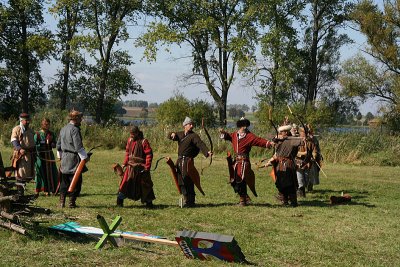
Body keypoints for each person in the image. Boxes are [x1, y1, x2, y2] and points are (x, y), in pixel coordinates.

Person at [220, 117, 273, 206]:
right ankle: (245, 197)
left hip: (244, 162)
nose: (245, 126)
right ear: (240, 125)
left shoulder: (249, 136)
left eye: (246, 124)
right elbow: (227, 136)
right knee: (233, 180)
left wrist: (269, 143)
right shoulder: (234, 135)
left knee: (241, 180)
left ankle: (242, 201)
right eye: (243, 124)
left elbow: (259, 140)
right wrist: (222, 132)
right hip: (236, 161)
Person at [168, 117, 212, 207]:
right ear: (185, 125)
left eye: (192, 124)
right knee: (180, 180)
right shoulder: (180, 134)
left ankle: (191, 201)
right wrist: (171, 134)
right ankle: (186, 199)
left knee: (188, 180)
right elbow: (171, 136)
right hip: (180, 161)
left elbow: (200, 143)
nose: (192, 126)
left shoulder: (194, 136)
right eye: (190, 124)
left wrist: (207, 152)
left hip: (188, 162)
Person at [56, 110, 89, 208]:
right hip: (74, 159)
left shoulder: (63, 129)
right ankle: (71, 203)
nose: (81, 120)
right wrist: (85, 157)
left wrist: (61, 156)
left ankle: (62, 202)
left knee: (64, 181)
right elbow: (78, 147)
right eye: (80, 118)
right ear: (76, 119)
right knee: (76, 181)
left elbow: (58, 145)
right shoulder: (75, 129)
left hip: (65, 158)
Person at [266, 124, 305, 207]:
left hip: (288, 164)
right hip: (279, 164)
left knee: (290, 183)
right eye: (281, 132)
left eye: (283, 132)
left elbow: (303, 140)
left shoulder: (292, 140)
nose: (282, 133)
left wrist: (306, 137)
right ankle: (285, 200)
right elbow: (272, 142)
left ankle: (293, 202)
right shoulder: (279, 140)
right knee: (280, 183)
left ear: (286, 132)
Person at [117, 126, 155, 208]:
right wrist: (124, 163)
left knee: (145, 185)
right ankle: (119, 202)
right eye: (130, 134)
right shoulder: (129, 140)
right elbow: (127, 152)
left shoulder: (144, 141)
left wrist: (147, 167)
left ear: (137, 133)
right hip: (130, 167)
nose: (131, 136)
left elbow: (149, 154)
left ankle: (149, 203)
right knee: (124, 185)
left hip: (141, 167)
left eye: (133, 134)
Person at [11, 113, 35, 194]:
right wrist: (20, 149)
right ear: (21, 120)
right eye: (26, 120)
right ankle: (19, 192)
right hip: (20, 155)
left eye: (28, 120)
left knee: (26, 174)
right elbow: (14, 140)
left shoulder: (30, 130)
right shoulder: (17, 129)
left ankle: (22, 191)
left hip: (29, 154)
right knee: (20, 174)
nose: (28, 122)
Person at [34, 118, 59, 197]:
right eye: (45, 124)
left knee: (52, 172)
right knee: (40, 172)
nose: (47, 126)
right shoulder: (37, 134)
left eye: (48, 124)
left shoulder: (51, 134)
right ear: (42, 124)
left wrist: (52, 144)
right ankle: (40, 190)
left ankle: (51, 189)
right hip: (40, 156)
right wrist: (41, 146)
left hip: (49, 155)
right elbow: (34, 145)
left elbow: (55, 143)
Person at [295, 127, 310, 198]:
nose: (304, 134)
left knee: (306, 179)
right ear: (300, 133)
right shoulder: (296, 141)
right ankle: (300, 193)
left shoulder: (309, 141)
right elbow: (294, 152)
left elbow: (312, 151)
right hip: (298, 162)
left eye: (305, 133)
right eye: (303, 133)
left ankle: (302, 192)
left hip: (306, 163)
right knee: (300, 179)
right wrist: (303, 153)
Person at [306, 125, 322, 192]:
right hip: (304, 159)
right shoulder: (302, 138)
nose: (310, 133)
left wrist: (315, 156)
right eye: (309, 131)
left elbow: (317, 149)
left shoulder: (314, 139)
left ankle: (310, 187)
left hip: (312, 160)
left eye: (311, 131)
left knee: (312, 174)